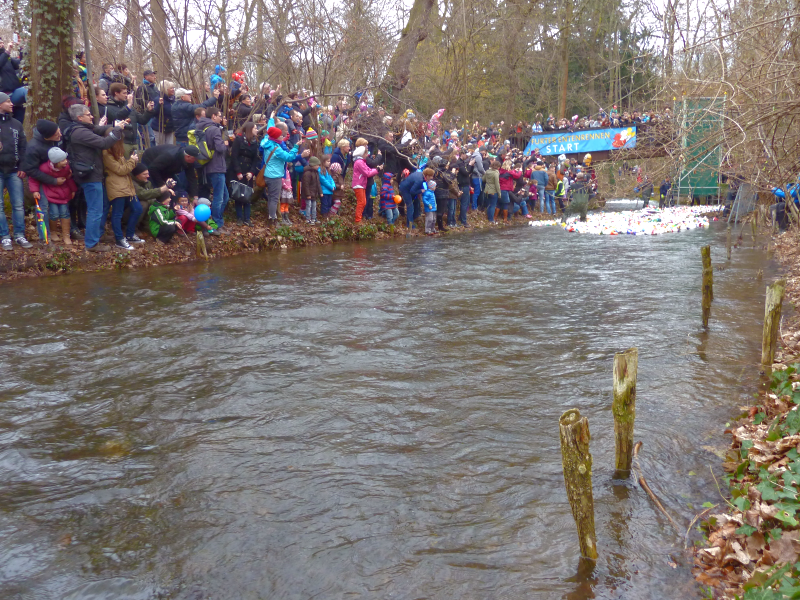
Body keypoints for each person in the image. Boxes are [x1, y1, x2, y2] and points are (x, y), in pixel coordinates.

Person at [67, 103, 124, 252]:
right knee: (95, 210)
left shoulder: (82, 128)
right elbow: (104, 143)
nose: (92, 116)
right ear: (80, 117)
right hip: (90, 176)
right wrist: (117, 131)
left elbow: (99, 129)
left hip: (93, 174)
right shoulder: (80, 133)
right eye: (88, 114)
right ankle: (91, 244)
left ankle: (95, 237)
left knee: (97, 208)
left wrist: (114, 126)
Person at [21, 119, 64, 242]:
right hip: (40, 181)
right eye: (57, 134)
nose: (60, 135)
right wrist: (53, 180)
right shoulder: (34, 147)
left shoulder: (56, 141)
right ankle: (45, 238)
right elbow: (31, 170)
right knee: (43, 208)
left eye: (59, 131)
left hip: (56, 177)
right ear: (48, 136)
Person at [27, 147, 76, 246]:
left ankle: (66, 235)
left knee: (65, 213)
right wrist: (35, 190)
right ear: (56, 162)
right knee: (54, 213)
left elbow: (69, 179)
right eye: (63, 160)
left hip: (63, 194)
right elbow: (34, 178)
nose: (66, 162)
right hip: (51, 194)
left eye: (66, 159)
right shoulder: (44, 168)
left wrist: (73, 189)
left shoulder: (66, 168)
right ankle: (53, 232)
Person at [103, 133, 143, 250]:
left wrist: (132, 160)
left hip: (127, 186)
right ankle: (119, 239)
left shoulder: (118, 153)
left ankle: (130, 235)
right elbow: (120, 170)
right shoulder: (106, 154)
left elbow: (125, 167)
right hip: (116, 187)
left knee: (137, 208)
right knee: (117, 214)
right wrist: (131, 161)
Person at [259, 118, 302, 224]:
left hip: (267, 174)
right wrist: (296, 146)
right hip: (275, 176)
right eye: (280, 135)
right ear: (276, 137)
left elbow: (270, 129)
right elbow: (289, 157)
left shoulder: (266, 141)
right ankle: (272, 219)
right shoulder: (276, 149)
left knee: (271, 198)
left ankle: (272, 217)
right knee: (274, 199)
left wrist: (271, 119)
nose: (282, 136)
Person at [0, 92, 28, 250]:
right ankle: (4, 237)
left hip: (14, 171)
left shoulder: (16, 123)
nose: (12, 104)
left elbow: (24, 147)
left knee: (18, 205)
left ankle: (19, 235)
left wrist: (23, 166)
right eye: (8, 101)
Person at [230, 122, 260, 225]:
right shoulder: (238, 140)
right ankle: (239, 218)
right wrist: (238, 171)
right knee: (238, 194)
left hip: (249, 171)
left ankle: (247, 218)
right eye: (255, 128)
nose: (257, 130)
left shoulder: (254, 142)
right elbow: (234, 156)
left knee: (248, 195)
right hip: (239, 170)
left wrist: (252, 172)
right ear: (250, 129)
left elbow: (255, 159)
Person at [132, 163, 172, 228]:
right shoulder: (132, 183)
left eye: (148, 173)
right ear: (137, 175)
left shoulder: (147, 183)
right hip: (128, 211)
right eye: (145, 174)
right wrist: (164, 188)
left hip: (142, 211)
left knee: (155, 203)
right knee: (143, 204)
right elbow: (143, 194)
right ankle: (132, 227)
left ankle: (147, 225)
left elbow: (152, 197)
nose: (148, 176)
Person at [351, 145, 379, 223]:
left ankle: (360, 218)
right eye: (366, 153)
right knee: (361, 202)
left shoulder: (362, 161)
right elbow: (367, 173)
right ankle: (358, 219)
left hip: (362, 184)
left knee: (363, 202)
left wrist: (376, 169)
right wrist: (377, 170)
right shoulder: (359, 162)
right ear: (362, 153)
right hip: (358, 184)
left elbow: (369, 169)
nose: (367, 155)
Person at [0, 39, 25, 123]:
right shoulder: (4, 57)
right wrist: (7, 51)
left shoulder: (7, 58)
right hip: (4, 96)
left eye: (2, 42)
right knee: (25, 90)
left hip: (14, 93)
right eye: (0, 43)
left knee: (19, 121)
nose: (2, 44)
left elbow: (21, 64)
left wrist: (22, 48)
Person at [153, 81, 176, 146]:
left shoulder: (173, 99)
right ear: (165, 89)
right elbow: (154, 113)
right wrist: (159, 105)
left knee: (170, 147)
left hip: (170, 128)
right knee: (161, 148)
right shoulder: (158, 99)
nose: (173, 90)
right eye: (171, 88)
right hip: (160, 128)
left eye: (173, 88)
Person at [301, 156, 322, 224]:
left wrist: (320, 192)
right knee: (309, 206)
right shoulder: (307, 173)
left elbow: (318, 183)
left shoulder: (316, 172)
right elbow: (305, 185)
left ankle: (314, 218)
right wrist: (308, 194)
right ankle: (308, 218)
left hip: (314, 194)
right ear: (313, 165)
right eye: (317, 165)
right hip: (309, 194)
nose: (318, 166)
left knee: (314, 206)